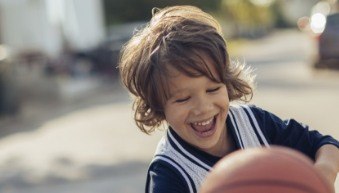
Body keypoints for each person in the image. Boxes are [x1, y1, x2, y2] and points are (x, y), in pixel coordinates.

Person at [118, 5, 339, 193]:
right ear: (158, 105)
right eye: (183, 99)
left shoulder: (253, 123)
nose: (203, 108)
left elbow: (327, 145)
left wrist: (321, 177)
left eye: (213, 89)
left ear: (227, 84)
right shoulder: (169, 174)